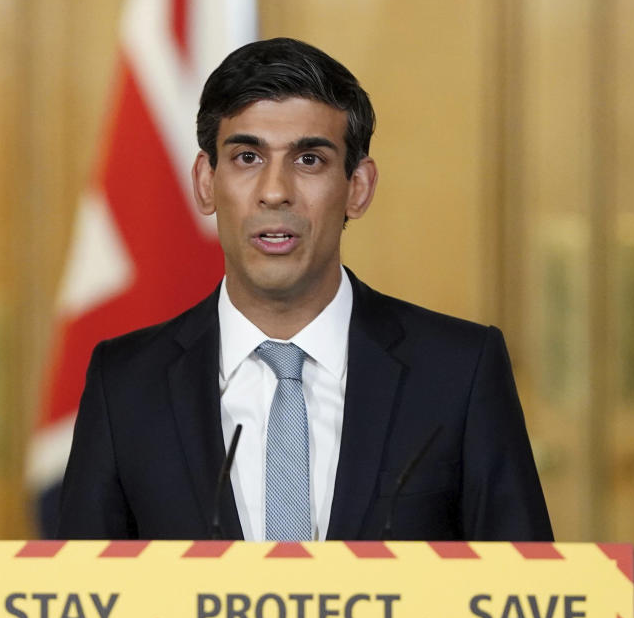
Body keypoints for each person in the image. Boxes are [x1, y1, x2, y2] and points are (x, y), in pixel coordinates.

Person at [55, 37, 552, 546]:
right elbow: (82, 605)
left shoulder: (459, 372)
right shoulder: (126, 384)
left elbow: (530, 603)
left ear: (357, 187)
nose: (275, 191)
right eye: (247, 157)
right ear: (206, 181)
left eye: (309, 160)